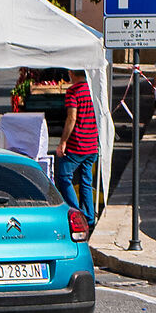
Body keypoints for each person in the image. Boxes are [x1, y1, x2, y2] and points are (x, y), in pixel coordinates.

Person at [55, 68, 100, 214]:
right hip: (92, 143)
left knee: (63, 177)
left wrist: (63, 142)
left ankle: (76, 213)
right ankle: (89, 216)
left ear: (71, 73)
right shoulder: (94, 90)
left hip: (77, 144)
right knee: (86, 182)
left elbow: (72, 118)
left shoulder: (73, 92)